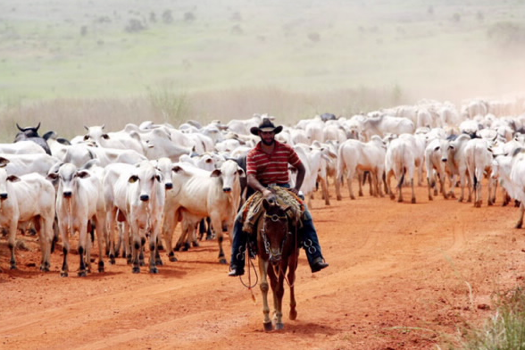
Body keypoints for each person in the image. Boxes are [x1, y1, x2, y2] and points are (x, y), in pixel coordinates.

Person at [228, 118, 329, 276]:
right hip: (262, 190)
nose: (268, 135)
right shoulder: (253, 154)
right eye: (264, 133)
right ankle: (237, 263)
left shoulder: (286, 149)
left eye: (270, 133)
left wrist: (296, 188)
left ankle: (315, 257)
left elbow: (301, 168)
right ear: (259, 134)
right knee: (240, 219)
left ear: (274, 133)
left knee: (305, 215)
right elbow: (250, 178)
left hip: (284, 189)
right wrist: (264, 190)